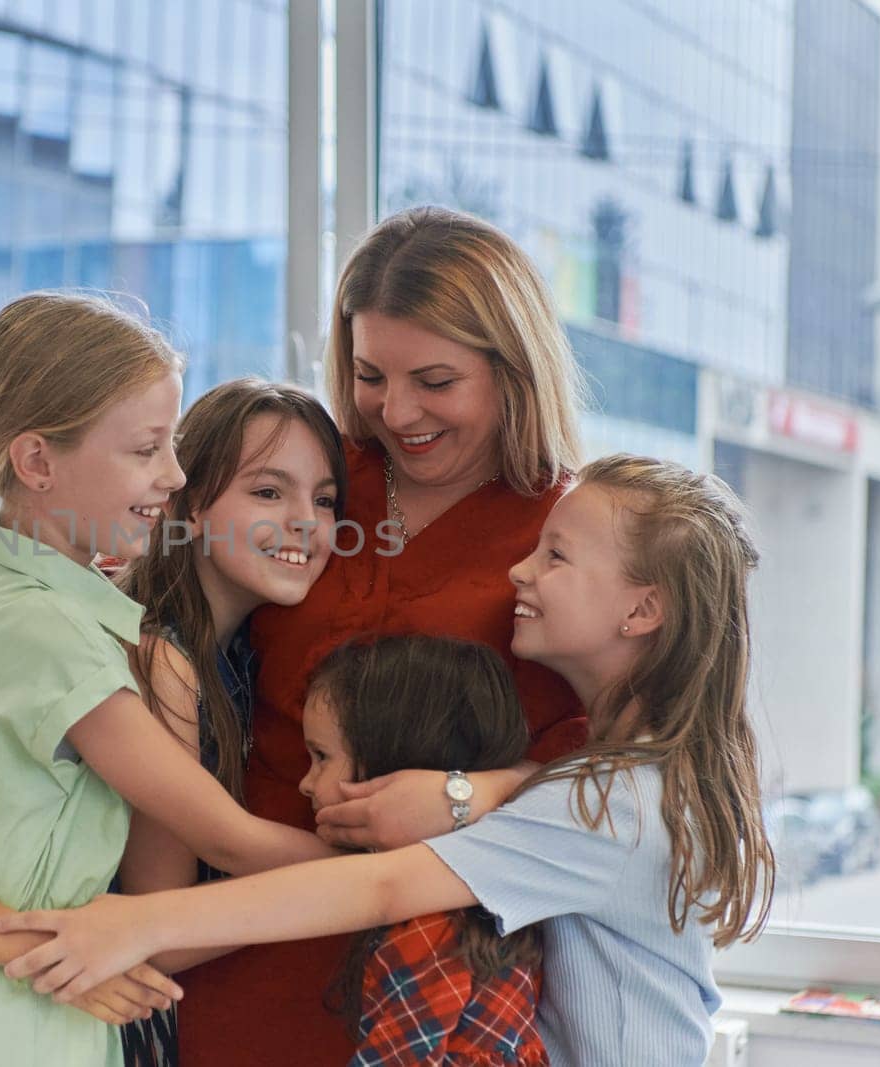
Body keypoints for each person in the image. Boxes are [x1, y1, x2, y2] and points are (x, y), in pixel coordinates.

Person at [0, 455, 776, 1067]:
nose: (520, 570)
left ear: (642, 610)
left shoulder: (613, 802)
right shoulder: (629, 782)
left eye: (556, 556)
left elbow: (383, 883)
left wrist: (139, 920)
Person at [0, 293, 334, 1067]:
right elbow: (225, 838)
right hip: (6, 1032)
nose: (173, 475)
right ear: (37, 462)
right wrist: (407, 874)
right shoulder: (55, 635)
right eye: (146, 449)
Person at [178, 206, 593, 1063]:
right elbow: (141, 610)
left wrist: (470, 795)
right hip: (230, 943)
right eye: (370, 375)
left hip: (435, 979)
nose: (396, 411)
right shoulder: (310, 476)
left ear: (512, 369)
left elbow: (635, 767)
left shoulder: (576, 529)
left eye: (435, 381)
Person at [299, 634, 547, 1066]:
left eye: (321, 757)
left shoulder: (429, 933)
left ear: (393, 762)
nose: (305, 782)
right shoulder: (486, 897)